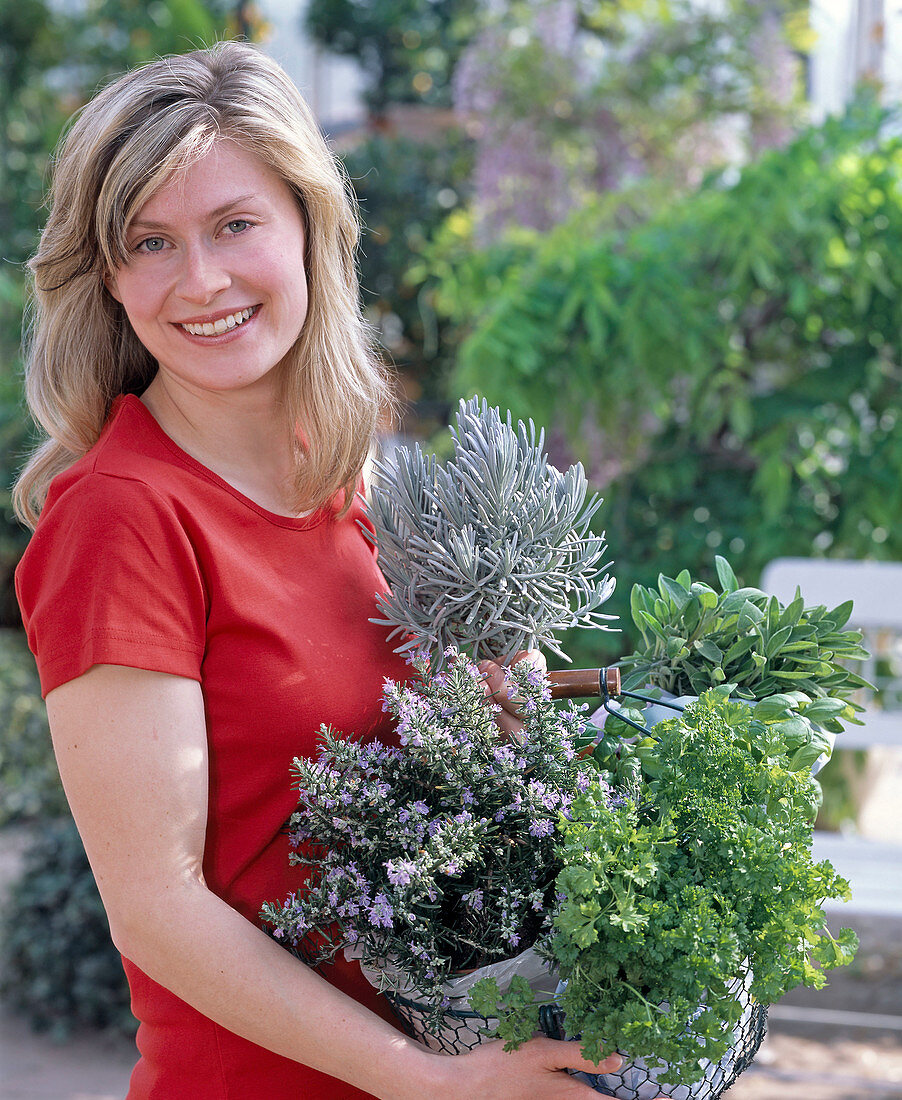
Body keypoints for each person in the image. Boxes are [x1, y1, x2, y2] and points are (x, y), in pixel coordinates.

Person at [13, 42, 664, 1100]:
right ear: (110, 278)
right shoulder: (123, 518)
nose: (203, 280)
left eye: (234, 224)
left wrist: (508, 716)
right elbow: (156, 903)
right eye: (150, 242)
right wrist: (433, 1080)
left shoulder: (364, 486)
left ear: (311, 226)